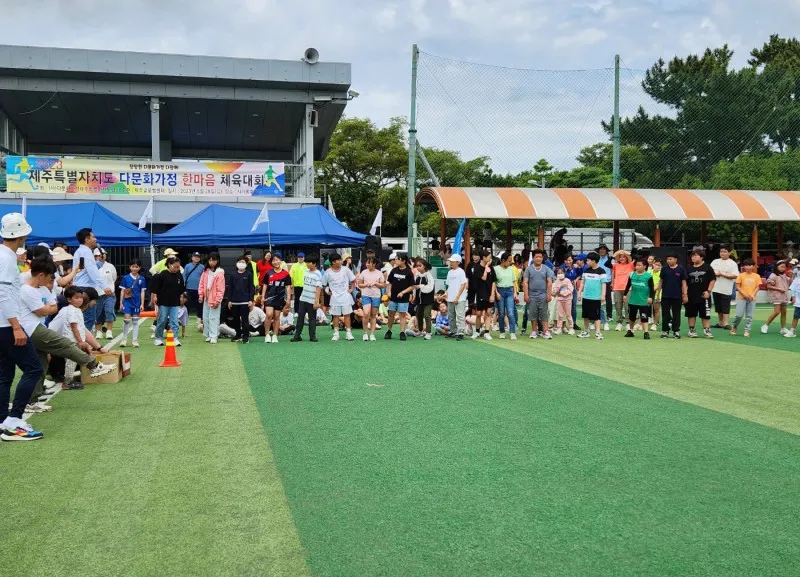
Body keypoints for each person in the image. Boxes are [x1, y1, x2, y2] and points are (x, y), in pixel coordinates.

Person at [22, 261, 114, 409]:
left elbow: (53, 308)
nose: (53, 283)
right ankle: (93, 365)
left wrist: (48, 307)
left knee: (39, 366)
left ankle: (31, 401)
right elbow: (44, 311)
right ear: (41, 275)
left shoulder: (43, 289)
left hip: (38, 327)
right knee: (65, 345)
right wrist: (48, 307)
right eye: (51, 279)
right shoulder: (27, 290)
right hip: (30, 328)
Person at [0, 213, 45, 441]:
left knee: (5, 374)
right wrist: (16, 326)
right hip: (7, 325)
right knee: (33, 369)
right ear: (22, 235)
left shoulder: (4, 255)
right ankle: (14, 420)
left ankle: (3, 420)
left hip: (3, 324)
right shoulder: (7, 258)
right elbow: (3, 294)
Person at [47, 286, 109, 390]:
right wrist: (81, 342)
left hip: (62, 343)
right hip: (56, 346)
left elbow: (82, 330)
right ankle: (67, 379)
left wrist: (92, 346)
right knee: (73, 358)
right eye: (77, 297)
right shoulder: (71, 311)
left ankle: (71, 375)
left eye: (81, 297)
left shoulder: (75, 310)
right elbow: (75, 328)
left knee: (77, 356)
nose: (80, 300)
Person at [72, 228, 111, 335]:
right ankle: (83, 341)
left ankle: (81, 340)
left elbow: (87, 269)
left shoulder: (80, 251)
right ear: (87, 239)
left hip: (80, 286)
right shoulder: (86, 252)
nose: (95, 239)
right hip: (86, 288)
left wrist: (100, 263)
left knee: (81, 317)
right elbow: (92, 271)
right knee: (88, 318)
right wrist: (104, 286)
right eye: (93, 237)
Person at [150, 257, 185, 346]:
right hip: (163, 302)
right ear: (169, 265)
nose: (176, 269)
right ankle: (158, 338)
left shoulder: (179, 275)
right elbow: (155, 288)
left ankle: (175, 338)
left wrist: (181, 297)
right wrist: (154, 297)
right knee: (162, 320)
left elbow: (181, 288)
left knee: (174, 321)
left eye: (178, 267)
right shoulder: (162, 275)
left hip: (175, 302)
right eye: (175, 267)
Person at [323, 253, 356, 341]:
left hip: (345, 297)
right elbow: (324, 284)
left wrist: (351, 289)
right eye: (339, 260)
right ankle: (336, 333)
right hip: (335, 298)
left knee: (347, 315)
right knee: (335, 316)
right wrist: (327, 291)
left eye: (341, 260)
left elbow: (353, 280)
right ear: (333, 262)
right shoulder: (328, 272)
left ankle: (348, 333)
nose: (341, 261)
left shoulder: (346, 270)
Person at [522, 249, 554, 340]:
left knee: (544, 313)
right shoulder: (528, 269)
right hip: (532, 295)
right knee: (533, 313)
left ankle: (546, 331)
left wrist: (549, 294)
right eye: (537, 257)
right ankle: (534, 331)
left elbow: (549, 282)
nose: (538, 258)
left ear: (543, 258)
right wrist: (526, 294)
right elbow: (525, 282)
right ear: (533, 258)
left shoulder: (546, 269)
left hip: (543, 294)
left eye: (540, 257)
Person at [262, 253, 293, 344]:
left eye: (277, 260)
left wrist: (288, 299)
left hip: (280, 298)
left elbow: (288, 287)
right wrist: (263, 296)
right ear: (271, 262)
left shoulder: (285, 274)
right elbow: (265, 285)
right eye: (273, 260)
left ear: (281, 261)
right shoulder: (268, 273)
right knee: (269, 314)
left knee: (277, 316)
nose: (276, 262)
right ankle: (267, 335)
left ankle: (275, 335)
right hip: (269, 297)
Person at [384, 254, 416, 341]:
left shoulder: (409, 272)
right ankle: (389, 330)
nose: (396, 261)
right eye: (396, 259)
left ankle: (402, 332)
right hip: (393, 297)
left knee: (402, 314)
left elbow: (412, 286)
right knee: (391, 314)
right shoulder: (394, 270)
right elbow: (390, 282)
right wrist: (389, 291)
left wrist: (403, 292)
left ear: (403, 261)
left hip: (404, 298)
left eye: (398, 259)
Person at [685, 249, 716, 338]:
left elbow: (713, 280)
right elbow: (684, 282)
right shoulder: (688, 268)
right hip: (691, 295)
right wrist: (685, 294)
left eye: (695, 255)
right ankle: (691, 330)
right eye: (692, 256)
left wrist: (708, 291)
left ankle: (707, 330)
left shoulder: (707, 267)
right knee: (691, 314)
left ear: (702, 257)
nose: (693, 257)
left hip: (704, 295)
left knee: (705, 314)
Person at [657, 253, 688, 339]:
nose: (668, 261)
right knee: (665, 314)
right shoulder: (664, 269)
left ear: (675, 259)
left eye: (670, 259)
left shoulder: (681, 269)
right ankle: (665, 331)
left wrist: (685, 294)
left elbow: (684, 283)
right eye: (667, 259)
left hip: (677, 296)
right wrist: (658, 294)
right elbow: (661, 281)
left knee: (676, 314)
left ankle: (676, 331)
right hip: (665, 296)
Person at [577, 252, 606, 340]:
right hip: (586, 297)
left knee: (596, 316)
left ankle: (598, 332)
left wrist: (603, 295)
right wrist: (579, 293)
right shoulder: (586, 271)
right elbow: (582, 282)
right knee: (585, 315)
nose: (587, 262)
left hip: (596, 298)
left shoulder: (601, 271)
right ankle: (586, 331)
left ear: (594, 261)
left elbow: (603, 284)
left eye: (588, 260)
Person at [226, 255, 255, 344]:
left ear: (246, 264)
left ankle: (245, 336)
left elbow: (251, 288)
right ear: (236, 263)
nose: (241, 264)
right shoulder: (233, 275)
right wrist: (229, 300)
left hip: (245, 301)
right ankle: (238, 334)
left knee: (245, 320)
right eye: (239, 262)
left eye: (243, 262)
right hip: (234, 301)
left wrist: (251, 300)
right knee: (235, 320)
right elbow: (230, 288)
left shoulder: (249, 274)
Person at [118, 258, 147, 348]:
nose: (134, 268)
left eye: (136, 267)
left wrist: (142, 304)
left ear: (139, 268)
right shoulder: (125, 278)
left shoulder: (142, 279)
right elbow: (122, 291)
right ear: (130, 267)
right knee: (126, 320)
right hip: (127, 301)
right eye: (133, 266)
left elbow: (142, 292)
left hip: (136, 302)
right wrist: (121, 303)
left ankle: (134, 340)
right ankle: (124, 339)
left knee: (135, 321)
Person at [623, 258, 654, 340]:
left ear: (644, 266)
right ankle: (631, 331)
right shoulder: (632, 274)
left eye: (639, 265)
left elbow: (651, 288)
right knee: (632, 317)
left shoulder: (648, 276)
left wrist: (651, 297)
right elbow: (628, 285)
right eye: (636, 265)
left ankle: (646, 333)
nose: (637, 267)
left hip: (643, 301)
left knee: (644, 317)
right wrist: (625, 294)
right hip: (633, 300)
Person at [198, 252, 225, 344]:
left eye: (213, 260)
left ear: (217, 261)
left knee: (213, 317)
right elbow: (201, 284)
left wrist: (218, 300)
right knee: (206, 317)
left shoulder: (220, 272)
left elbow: (221, 288)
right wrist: (201, 295)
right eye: (210, 260)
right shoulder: (205, 271)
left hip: (214, 297)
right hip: (206, 297)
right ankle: (209, 334)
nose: (211, 262)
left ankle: (214, 335)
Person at [710, 245, 739, 330]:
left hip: (726, 288)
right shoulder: (715, 261)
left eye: (725, 252)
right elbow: (710, 271)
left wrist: (722, 274)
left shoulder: (732, 263)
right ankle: (720, 323)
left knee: (725, 306)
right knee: (718, 306)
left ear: (729, 253)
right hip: (715, 287)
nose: (722, 253)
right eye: (721, 251)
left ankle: (726, 323)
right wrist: (715, 274)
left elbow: (735, 275)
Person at [730, 259, 761, 337]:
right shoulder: (741, 275)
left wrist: (752, 295)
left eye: (749, 265)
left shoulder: (757, 276)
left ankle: (747, 330)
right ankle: (734, 326)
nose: (747, 267)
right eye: (746, 265)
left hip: (752, 299)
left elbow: (757, 287)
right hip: (741, 298)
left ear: (753, 266)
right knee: (739, 315)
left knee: (749, 316)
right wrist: (745, 294)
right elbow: (738, 287)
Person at [92, 247, 118, 340]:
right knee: (97, 313)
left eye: (102, 255)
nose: (100, 257)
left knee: (109, 311)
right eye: (97, 255)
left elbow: (114, 278)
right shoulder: (92, 267)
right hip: (97, 294)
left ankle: (109, 331)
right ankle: (99, 331)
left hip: (109, 294)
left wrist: (109, 287)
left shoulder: (110, 266)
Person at [357, 256, 385, 341]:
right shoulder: (363, 272)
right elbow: (359, 284)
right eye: (367, 262)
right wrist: (366, 285)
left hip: (376, 296)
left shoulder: (379, 273)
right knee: (366, 313)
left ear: (374, 264)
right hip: (365, 295)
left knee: (373, 315)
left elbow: (383, 285)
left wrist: (375, 283)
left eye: (369, 263)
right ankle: (365, 333)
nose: (367, 264)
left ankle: (372, 334)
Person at [472, 249, 497, 340]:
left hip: (489, 292)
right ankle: (477, 331)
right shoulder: (477, 267)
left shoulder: (492, 268)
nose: (490, 259)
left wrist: (492, 294)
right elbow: (483, 277)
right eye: (489, 257)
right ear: (484, 258)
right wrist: (486, 267)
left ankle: (487, 332)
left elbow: (494, 281)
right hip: (480, 293)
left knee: (488, 312)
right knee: (479, 313)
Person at [761, 260, 791, 334]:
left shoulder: (784, 275)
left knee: (784, 312)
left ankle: (783, 328)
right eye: (781, 267)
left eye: (784, 267)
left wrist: (790, 276)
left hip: (784, 296)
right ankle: (765, 325)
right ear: (777, 267)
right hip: (776, 296)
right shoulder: (773, 275)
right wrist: (779, 289)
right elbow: (768, 286)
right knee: (777, 312)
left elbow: (790, 283)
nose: (783, 268)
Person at [494, 251, 517, 340]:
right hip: (500, 290)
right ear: (503, 260)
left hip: (510, 291)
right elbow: (494, 282)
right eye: (509, 261)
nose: (510, 262)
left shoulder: (511, 269)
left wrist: (515, 293)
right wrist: (496, 292)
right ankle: (502, 331)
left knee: (510, 313)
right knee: (501, 313)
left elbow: (514, 282)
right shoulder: (496, 269)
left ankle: (512, 332)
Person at [445, 254, 468, 340]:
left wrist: (457, 297)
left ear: (458, 262)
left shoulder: (461, 272)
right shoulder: (449, 272)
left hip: (460, 298)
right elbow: (448, 285)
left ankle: (461, 332)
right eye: (450, 261)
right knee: (451, 315)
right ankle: (453, 331)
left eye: (453, 262)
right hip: (450, 297)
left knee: (460, 315)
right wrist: (446, 293)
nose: (451, 263)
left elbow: (463, 284)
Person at [611, 250, 634, 331]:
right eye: (620, 257)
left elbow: (636, 258)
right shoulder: (615, 265)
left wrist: (626, 253)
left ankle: (628, 323)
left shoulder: (631, 265)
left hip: (628, 288)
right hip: (617, 287)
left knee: (627, 306)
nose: (622, 258)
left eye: (624, 257)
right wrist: (614, 255)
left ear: (627, 258)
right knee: (618, 305)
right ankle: (619, 323)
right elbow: (607, 265)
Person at [413, 259, 435, 340]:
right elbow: (414, 287)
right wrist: (414, 296)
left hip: (428, 300)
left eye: (420, 266)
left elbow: (430, 287)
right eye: (417, 266)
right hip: (419, 299)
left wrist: (421, 286)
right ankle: (420, 331)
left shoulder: (429, 276)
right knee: (418, 314)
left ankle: (429, 332)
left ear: (424, 266)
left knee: (427, 315)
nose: (418, 267)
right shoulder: (417, 275)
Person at [183, 252, 205, 328]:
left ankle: (199, 318)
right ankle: (185, 318)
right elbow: (184, 276)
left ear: (200, 258)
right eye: (195, 257)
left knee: (199, 304)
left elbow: (204, 277)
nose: (196, 258)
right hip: (188, 288)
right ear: (192, 258)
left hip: (199, 289)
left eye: (198, 257)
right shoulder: (187, 266)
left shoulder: (202, 267)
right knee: (187, 304)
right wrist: (184, 286)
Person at [551, 266, 575, 335]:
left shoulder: (567, 280)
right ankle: (559, 328)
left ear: (564, 273)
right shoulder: (556, 281)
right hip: (559, 300)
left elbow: (570, 289)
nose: (560, 274)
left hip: (567, 300)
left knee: (568, 314)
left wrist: (562, 293)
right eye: (558, 273)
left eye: (561, 273)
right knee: (560, 315)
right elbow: (554, 290)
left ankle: (571, 328)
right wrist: (559, 289)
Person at [596, 244, 613, 330]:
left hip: (607, 280)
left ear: (606, 251)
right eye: (600, 249)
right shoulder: (596, 259)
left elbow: (612, 271)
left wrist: (612, 281)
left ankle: (609, 315)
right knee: (597, 298)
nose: (602, 251)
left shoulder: (610, 259)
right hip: (597, 280)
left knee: (608, 298)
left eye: (603, 249)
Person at [785, 270, 800, 338]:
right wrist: (793, 297)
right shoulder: (796, 279)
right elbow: (793, 289)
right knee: (796, 316)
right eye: (799, 269)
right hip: (798, 302)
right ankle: (792, 331)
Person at [650, 259, 663, 331]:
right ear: (653, 264)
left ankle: (655, 324)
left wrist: (653, 290)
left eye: (659, 265)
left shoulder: (661, 274)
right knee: (644, 309)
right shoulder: (649, 272)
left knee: (656, 310)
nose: (657, 266)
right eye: (656, 264)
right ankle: (640, 324)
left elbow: (659, 285)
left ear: (661, 266)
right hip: (647, 294)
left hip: (657, 294)